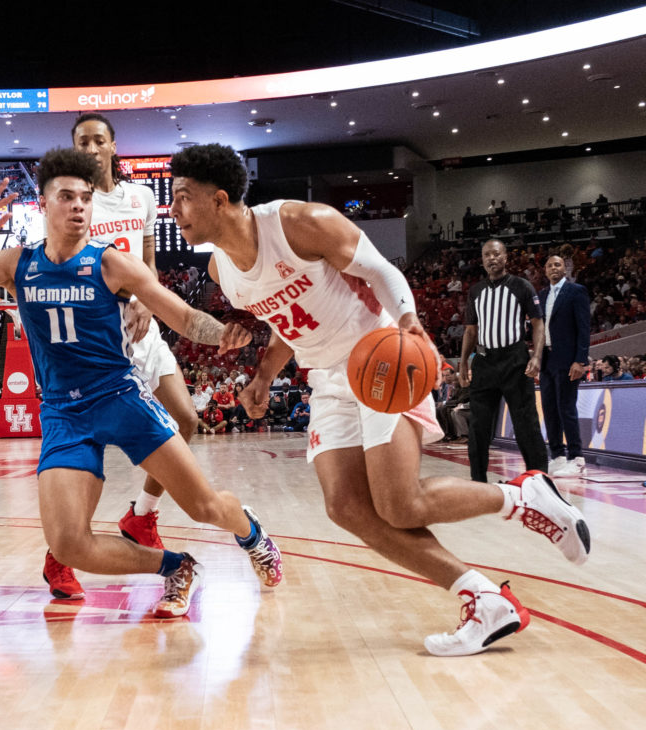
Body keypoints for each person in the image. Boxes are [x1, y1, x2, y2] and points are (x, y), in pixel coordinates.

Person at [168, 143, 589, 655]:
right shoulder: (221, 272)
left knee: (399, 503)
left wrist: (410, 323)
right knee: (345, 505)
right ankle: (484, 598)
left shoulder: (302, 223)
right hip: (327, 377)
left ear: (218, 199)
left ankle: (522, 498)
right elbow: (287, 323)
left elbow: (382, 272)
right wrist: (261, 377)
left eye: (182, 198)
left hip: (381, 358)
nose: (173, 211)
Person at [0, 149, 282, 617]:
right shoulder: (17, 264)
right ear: (44, 204)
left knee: (205, 507)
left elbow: (184, 317)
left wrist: (224, 334)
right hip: (63, 413)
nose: (78, 206)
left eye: (86, 198)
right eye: (66, 196)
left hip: (120, 397)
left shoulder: (110, 264)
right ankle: (176, 567)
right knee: (69, 543)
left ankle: (251, 533)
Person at [49, 112, 201, 596]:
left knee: (188, 420)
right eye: (82, 141)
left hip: (142, 326)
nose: (91, 148)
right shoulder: (73, 203)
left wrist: (143, 299)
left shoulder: (141, 198)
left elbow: (148, 265)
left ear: (114, 145)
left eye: (98, 140)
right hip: (97, 338)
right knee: (86, 457)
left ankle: (141, 517)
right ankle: (61, 555)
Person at [459, 239, 548, 483]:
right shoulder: (476, 291)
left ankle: (538, 480)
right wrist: (464, 362)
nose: (491, 258)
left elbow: (538, 323)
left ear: (506, 257)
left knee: (525, 423)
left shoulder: (522, 286)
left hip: (514, 361)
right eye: (487, 255)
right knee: (478, 426)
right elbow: (470, 330)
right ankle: (478, 482)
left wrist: (537, 355)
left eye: (496, 254)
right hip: (485, 362)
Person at [538, 250, 591, 478]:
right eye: (550, 266)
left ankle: (576, 458)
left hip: (568, 359)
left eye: (558, 265)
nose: (554, 268)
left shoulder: (576, 291)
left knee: (566, 408)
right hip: (547, 359)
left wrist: (580, 359)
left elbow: (584, 327)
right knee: (549, 409)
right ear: (545, 270)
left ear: (565, 268)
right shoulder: (540, 295)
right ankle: (557, 456)